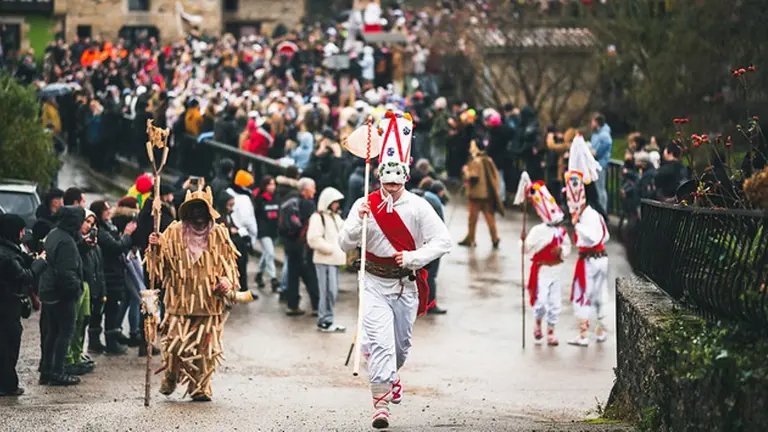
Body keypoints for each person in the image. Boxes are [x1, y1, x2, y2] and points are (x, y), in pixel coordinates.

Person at [339, 111, 452, 429]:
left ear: (404, 179)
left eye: (395, 183)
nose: (389, 189)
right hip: (374, 283)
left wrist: (415, 258)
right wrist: (357, 222)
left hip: (406, 285)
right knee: (381, 344)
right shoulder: (365, 204)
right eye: (385, 183)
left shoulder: (419, 206)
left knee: (400, 348)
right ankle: (380, 405)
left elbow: (443, 241)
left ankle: (391, 375)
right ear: (378, 179)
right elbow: (343, 243)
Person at [146, 187, 253, 402]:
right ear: (186, 212)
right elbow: (157, 267)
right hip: (179, 303)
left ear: (209, 212)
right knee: (175, 344)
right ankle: (171, 375)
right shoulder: (173, 232)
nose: (198, 215)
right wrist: (154, 248)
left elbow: (231, 266)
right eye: (193, 210)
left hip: (209, 304)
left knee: (205, 351)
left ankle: (200, 387)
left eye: (201, 211)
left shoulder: (219, 234)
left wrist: (226, 282)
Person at [518, 181, 571, 346]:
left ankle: (551, 332)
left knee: (555, 303)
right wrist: (524, 241)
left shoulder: (561, 232)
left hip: (556, 270)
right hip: (542, 270)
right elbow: (525, 249)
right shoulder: (537, 231)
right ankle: (538, 322)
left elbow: (567, 247)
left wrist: (561, 251)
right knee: (541, 302)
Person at [38, 205, 85, 386]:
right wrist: (76, 290)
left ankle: (47, 370)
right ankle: (58, 371)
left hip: (48, 291)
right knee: (65, 332)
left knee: (52, 332)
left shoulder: (54, 233)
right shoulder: (66, 241)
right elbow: (66, 273)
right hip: (61, 294)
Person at [0, 214, 46, 396]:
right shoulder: (7, 256)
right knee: (9, 345)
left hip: (6, 305)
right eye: (21, 230)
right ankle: (7, 385)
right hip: (7, 306)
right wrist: (40, 263)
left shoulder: (10, 250)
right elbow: (25, 276)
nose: (23, 233)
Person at [564, 171, 610, 347]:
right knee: (598, 295)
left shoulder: (588, 216)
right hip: (599, 258)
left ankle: (584, 335)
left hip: (590, 261)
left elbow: (595, 237)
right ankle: (600, 330)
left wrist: (578, 226)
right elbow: (606, 237)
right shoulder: (593, 214)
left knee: (582, 294)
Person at [90, 200, 137, 354]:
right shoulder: (101, 231)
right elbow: (116, 247)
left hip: (112, 274)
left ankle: (101, 341)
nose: (109, 211)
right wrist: (127, 235)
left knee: (108, 309)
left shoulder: (109, 226)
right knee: (108, 309)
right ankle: (107, 343)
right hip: (108, 275)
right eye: (106, 209)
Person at [306, 186, 346, 333]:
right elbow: (313, 239)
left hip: (333, 260)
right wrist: (331, 249)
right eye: (334, 202)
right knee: (328, 291)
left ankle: (328, 319)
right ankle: (325, 320)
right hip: (325, 260)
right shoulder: (318, 217)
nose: (337, 204)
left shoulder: (336, 217)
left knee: (331, 291)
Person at [280, 177, 320, 316]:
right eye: (313, 188)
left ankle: (292, 305)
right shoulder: (308, 204)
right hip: (303, 245)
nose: (314, 191)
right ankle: (317, 306)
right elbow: (311, 225)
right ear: (305, 190)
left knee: (293, 275)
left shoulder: (290, 199)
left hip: (290, 243)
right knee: (310, 275)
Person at [67, 209, 100, 374]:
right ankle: (69, 359)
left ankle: (77, 354)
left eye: (91, 224)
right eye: (86, 221)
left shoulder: (88, 242)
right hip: (77, 283)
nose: (88, 226)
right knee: (72, 322)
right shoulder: (72, 238)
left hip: (86, 283)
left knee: (83, 321)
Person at [459, 140, 504, 249]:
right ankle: (495, 237)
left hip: (476, 195)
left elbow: (473, 177)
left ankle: (471, 239)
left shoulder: (475, 161)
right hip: (487, 194)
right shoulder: (488, 160)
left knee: (472, 219)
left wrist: (465, 171)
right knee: (490, 218)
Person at [422, 180, 448, 315]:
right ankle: (431, 305)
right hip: (433, 243)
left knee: (424, 274)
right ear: (440, 191)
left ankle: (422, 302)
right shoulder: (436, 203)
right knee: (431, 275)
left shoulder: (424, 198)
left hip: (423, 243)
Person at [253, 176, 280, 292]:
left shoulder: (277, 197)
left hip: (274, 230)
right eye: (270, 184)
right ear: (264, 186)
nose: (272, 187)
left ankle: (259, 274)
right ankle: (273, 278)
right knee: (270, 253)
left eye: (273, 184)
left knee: (266, 254)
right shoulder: (259, 199)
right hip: (263, 230)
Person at [589, 113, 613, 215]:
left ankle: (603, 211)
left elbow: (606, 144)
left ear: (596, 122)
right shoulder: (597, 134)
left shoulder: (604, 135)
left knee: (600, 189)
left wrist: (596, 152)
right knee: (597, 188)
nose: (591, 123)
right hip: (595, 164)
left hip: (600, 165)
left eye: (592, 121)